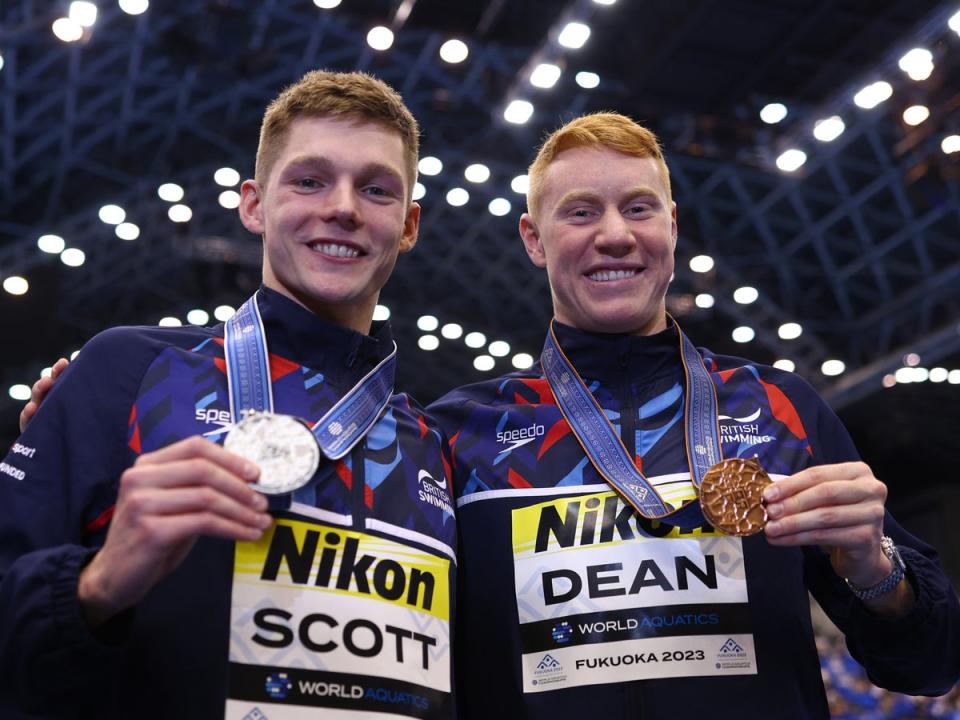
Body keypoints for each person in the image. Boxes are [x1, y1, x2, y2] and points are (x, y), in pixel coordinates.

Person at [427, 112, 960, 719]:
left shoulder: (778, 407)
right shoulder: (461, 433)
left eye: (638, 208)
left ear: (672, 226)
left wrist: (875, 567)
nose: (615, 235)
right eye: (580, 212)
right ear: (533, 238)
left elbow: (931, 664)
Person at [0, 70, 457, 720]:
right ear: (254, 205)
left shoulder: (431, 445)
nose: (344, 207)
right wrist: (94, 586)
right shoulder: (130, 371)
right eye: (309, 180)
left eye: (376, 189)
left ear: (408, 225)